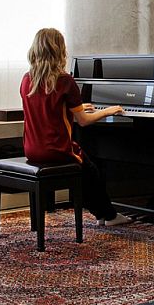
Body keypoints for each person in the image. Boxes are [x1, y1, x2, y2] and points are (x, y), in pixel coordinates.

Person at [20, 27, 131, 226]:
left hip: (32, 150)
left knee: (87, 170)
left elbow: (49, 110)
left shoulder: (27, 79)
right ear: (59, 50)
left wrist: (76, 107)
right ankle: (109, 216)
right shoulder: (65, 80)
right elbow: (84, 121)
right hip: (56, 151)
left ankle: (102, 214)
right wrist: (108, 110)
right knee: (91, 172)